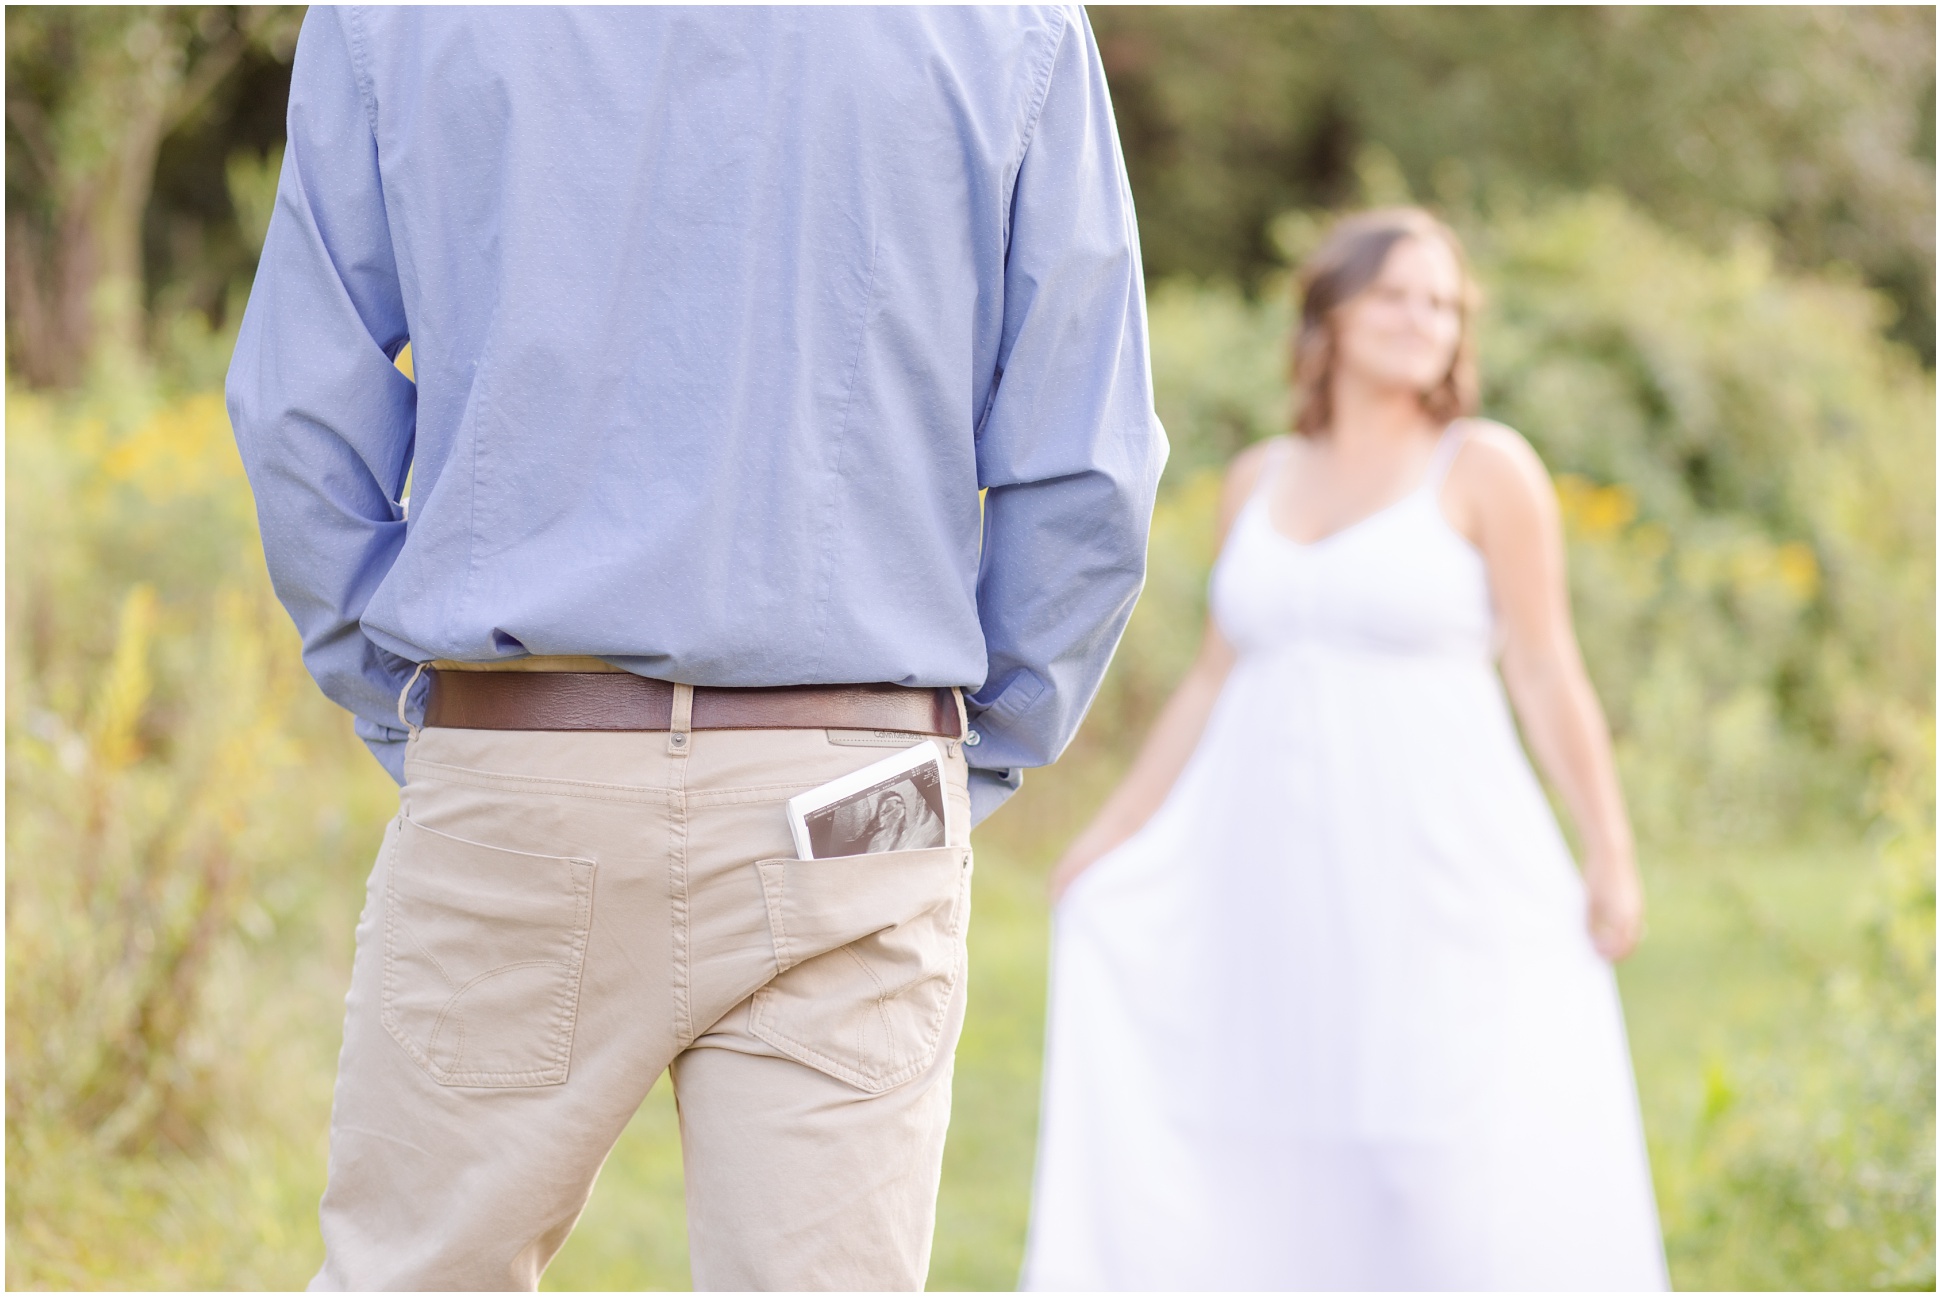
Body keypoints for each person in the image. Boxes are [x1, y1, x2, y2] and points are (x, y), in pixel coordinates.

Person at [226, 7, 1163, 1291]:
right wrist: (964, 756)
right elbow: (1089, 470)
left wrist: (416, 710)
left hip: (524, 762)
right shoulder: (1005, 26)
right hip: (858, 786)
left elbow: (297, 414)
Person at [1021, 208, 1667, 1290]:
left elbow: (1547, 669)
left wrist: (1611, 847)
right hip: (1272, 863)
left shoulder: (1484, 468)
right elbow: (1216, 675)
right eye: (1401, 294)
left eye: (1447, 303)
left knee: (1445, 1147)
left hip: (1443, 860)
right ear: (1331, 312)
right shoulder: (1259, 479)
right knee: (1281, 1117)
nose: (1428, 319)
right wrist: (1112, 833)